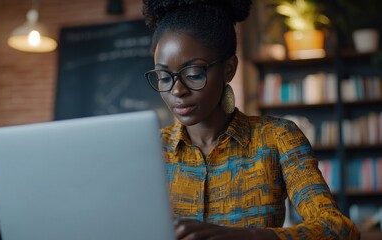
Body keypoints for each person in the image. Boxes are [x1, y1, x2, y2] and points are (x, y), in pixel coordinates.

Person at [142, 0, 360, 239]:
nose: (177, 90)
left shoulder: (276, 137)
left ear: (229, 69)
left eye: (194, 74)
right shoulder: (150, 151)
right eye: (164, 77)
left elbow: (337, 228)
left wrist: (249, 237)